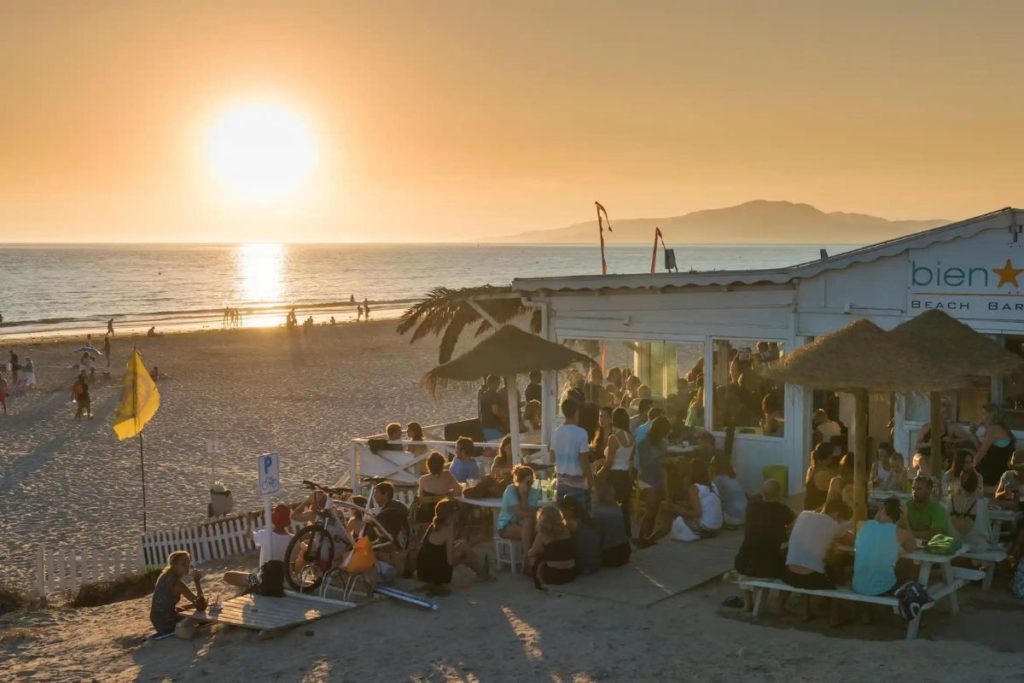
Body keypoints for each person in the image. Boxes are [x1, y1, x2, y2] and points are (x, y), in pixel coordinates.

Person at [416, 498, 489, 589]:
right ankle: (482, 574)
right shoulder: (447, 530)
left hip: (423, 572)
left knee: (461, 543)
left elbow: (435, 547)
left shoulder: (434, 525)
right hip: (437, 575)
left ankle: (480, 571)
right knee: (463, 546)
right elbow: (450, 562)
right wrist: (465, 561)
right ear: (450, 515)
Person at [853, 498, 917, 597]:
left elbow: (875, 531)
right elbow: (912, 547)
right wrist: (906, 520)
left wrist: (879, 513)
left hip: (857, 587)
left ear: (882, 509)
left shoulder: (861, 525)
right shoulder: (900, 533)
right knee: (908, 576)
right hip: (883, 589)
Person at [735, 479, 794, 581]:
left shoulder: (751, 506)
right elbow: (796, 520)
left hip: (743, 564)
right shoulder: (783, 510)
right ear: (779, 492)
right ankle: (775, 597)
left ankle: (749, 597)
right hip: (767, 568)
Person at [223, 504, 293, 591]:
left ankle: (251, 587)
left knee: (228, 576)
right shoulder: (292, 539)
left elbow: (247, 534)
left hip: (262, 580)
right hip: (285, 580)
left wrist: (248, 522)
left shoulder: (265, 535)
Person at [596, 407, 635, 536]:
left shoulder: (613, 438)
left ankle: (613, 535)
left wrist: (599, 474)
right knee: (624, 508)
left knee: (611, 508)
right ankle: (626, 535)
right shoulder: (630, 437)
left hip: (614, 476)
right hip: (625, 475)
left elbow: (610, 461)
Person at [150, 551, 206, 637]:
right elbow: (201, 605)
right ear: (174, 566)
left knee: (185, 608)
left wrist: (191, 606)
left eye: (188, 563)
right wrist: (197, 581)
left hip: (157, 619)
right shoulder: (177, 584)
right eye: (183, 564)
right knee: (203, 617)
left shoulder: (164, 576)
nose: (187, 566)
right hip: (167, 622)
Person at [552, 396, 593, 510]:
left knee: (563, 517)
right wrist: (591, 481)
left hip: (560, 482)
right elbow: (584, 460)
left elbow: (552, 458)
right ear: (576, 412)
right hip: (577, 485)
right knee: (579, 518)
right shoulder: (581, 433)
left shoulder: (556, 432)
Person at [497, 465, 540, 574]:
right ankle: (528, 558)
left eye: (531, 482)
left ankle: (527, 558)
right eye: (527, 482)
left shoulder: (534, 492)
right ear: (519, 482)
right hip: (506, 525)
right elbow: (520, 513)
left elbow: (530, 514)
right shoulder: (510, 490)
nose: (529, 485)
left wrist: (525, 496)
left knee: (528, 523)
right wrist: (523, 495)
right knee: (528, 526)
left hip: (524, 524)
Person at [669, 459, 723, 542]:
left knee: (676, 519)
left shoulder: (694, 488)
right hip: (717, 527)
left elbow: (697, 513)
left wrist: (680, 510)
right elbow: (701, 503)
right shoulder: (712, 484)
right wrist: (682, 504)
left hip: (706, 527)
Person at [636, 415, 672, 540]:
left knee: (655, 508)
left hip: (658, 478)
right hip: (647, 479)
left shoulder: (662, 443)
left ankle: (648, 536)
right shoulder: (644, 444)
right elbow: (646, 464)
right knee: (650, 509)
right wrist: (663, 461)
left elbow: (663, 458)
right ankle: (642, 537)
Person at [528, 505, 577, 589]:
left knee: (533, 556)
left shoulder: (542, 534)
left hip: (552, 575)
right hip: (570, 573)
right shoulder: (566, 530)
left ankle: (535, 576)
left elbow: (532, 553)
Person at [946, 470, 996, 550]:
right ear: (976, 485)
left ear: (961, 483)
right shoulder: (981, 503)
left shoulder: (949, 500)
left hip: (954, 546)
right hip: (976, 548)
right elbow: (988, 532)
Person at [973, 404, 1016, 489]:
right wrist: (974, 435)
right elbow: (982, 450)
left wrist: (971, 468)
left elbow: (982, 452)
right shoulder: (999, 428)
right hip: (999, 467)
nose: (981, 417)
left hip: (994, 471)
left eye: (983, 414)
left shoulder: (993, 429)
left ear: (990, 416)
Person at [559, 495, 601, 575]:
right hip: (596, 562)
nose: (562, 514)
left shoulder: (571, 523)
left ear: (570, 510)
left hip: (583, 564)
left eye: (563, 511)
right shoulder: (587, 520)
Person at [591, 480, 630, 567]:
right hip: (625, 551)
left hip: (610, 555)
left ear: (600, 495)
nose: (591, 495)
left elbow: (598, 537)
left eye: (593, 493)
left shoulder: (597, 512)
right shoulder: (617, 508)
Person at [905, 475, 950, 541]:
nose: (914, 492)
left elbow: (935, 534)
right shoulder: (907, 506)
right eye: (913, 488)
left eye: (919, 489)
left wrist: (912, 534)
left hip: (935, 547)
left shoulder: (937, 509)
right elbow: (899, 527)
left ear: (929, 490)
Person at [712, 456, 747, 527]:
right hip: (745, 516)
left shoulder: (718, 479)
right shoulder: (732, 477)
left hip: (732, 518)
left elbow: (714, 497)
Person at [804, 441, 839, 510]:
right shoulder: (825, 473)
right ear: (829, 457)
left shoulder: (811, 469)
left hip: (809, 509)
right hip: (818, 511)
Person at [478, 375, 504, 442]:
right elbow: (495, 411)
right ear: (493, 383)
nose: (499, 384)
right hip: (494, 426)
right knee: (498, 447)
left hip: (485, 426)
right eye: (498, 382)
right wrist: (504, 417)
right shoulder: (494, 395)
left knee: (490, 446)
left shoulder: (483, 395)